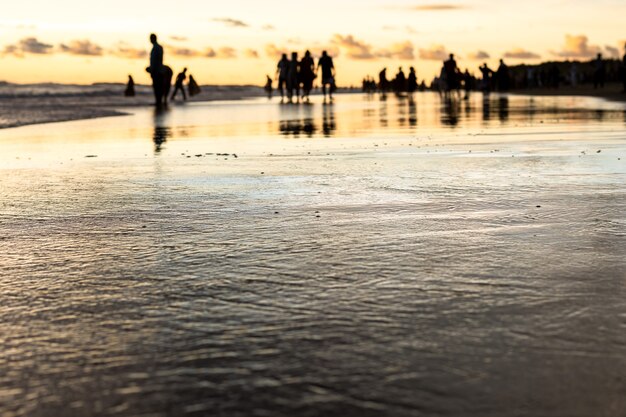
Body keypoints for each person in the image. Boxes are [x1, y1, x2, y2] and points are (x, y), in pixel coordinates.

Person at [147, 33, 166, 107]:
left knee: (157, 87)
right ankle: (159, 101)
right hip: (158, 70)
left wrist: (152, 69)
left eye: (151, 38)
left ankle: (158, 102)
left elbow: (156, 60)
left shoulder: (156, 48)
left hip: (157, 71)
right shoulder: (158, 47)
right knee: (158, 87)